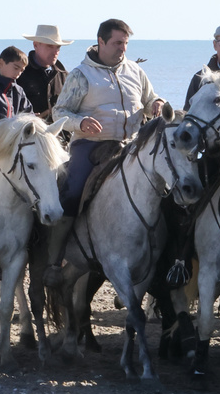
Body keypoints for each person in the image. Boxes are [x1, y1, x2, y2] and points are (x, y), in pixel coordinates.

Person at [46, 19, 163, 272]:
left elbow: (150, 97)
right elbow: (60, 112)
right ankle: (54, 261)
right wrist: (81, 122)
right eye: (117, 43)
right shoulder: (81, 74)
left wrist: (157, 104)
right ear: (101, 42)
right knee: (72, 192)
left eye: (126, 43)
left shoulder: (135, 71)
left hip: (131, 145)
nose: (123, 48)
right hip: (90, 145)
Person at [17, 24, 72, 122]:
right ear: (35, 45)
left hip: (60, 135)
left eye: (58, 47)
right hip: (29, 134)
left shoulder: (65, 76)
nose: (55, 51)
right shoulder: (20, 73)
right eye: (50, 46)